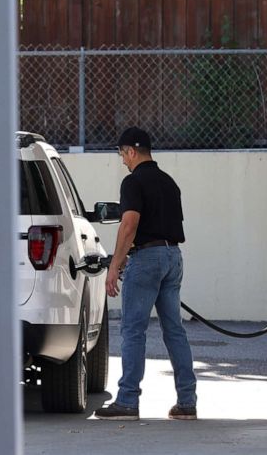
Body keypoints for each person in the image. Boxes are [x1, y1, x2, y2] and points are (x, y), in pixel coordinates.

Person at [94, 127, 197, 421]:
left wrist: (115, 264)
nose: (123, 161)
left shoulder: (132, 182)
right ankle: (187, 402)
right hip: (172, 256)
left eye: (122, 154)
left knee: (133, 331)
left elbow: (129, 224)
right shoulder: (169, 182)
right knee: (174, 330)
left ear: (131, 151)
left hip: (146, 259)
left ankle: (127, 401)